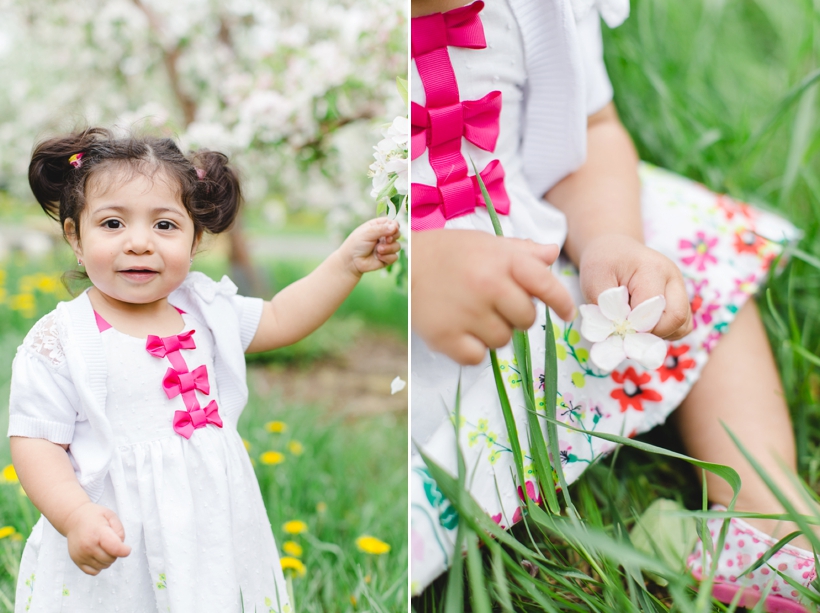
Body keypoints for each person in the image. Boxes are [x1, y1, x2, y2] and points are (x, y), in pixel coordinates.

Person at [409, 0, 815, 609]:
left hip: (544, 278)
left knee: (683, 232)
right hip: (425, 359)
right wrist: (415, 272)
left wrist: (611, 237)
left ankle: (764, 519)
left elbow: (591, 134)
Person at [9, 127, 401, 612]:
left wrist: (345, 264)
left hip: (211, 521)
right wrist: (74, 516)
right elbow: (38, 442)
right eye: (112, 224)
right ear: (75, 236)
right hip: (116, 528)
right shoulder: (61, 339)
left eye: (165, 226)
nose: (138, 243)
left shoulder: (204, 308)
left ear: (196, 239)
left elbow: (281, 317)